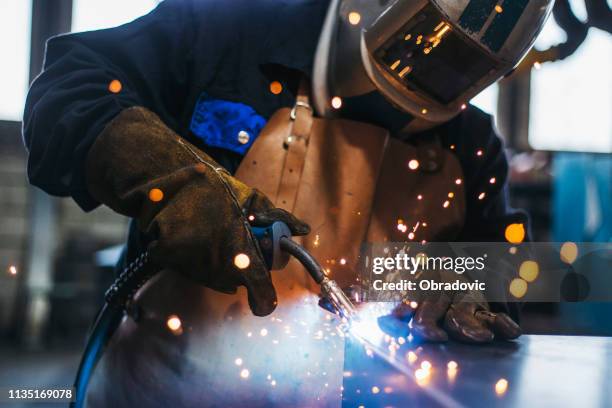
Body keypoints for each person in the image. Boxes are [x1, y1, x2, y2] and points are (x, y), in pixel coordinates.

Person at [22, 0, 552, 405]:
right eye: (424, 44)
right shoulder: (228, 31)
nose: (434, 77)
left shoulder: (472, 144)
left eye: (466, 68)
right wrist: (176, 183)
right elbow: (67, 90)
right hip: (162, 388)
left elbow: (506, 277)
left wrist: (460, 285)